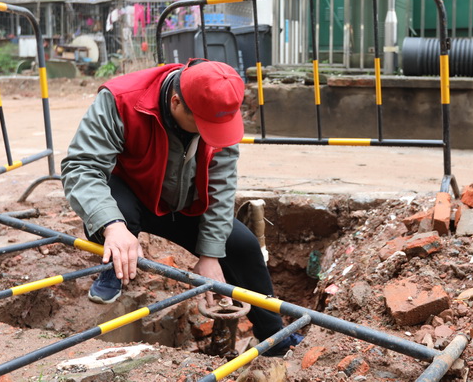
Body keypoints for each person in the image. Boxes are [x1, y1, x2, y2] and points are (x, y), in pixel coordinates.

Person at [61, 58, 302, 357]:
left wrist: (211, 255)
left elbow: (222, 185)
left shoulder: (218, 109)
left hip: (185, 202)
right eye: (203, 126)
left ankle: (275, 339)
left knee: (243, 246)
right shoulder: (121, 99)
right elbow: (81, 167)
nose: (211, 134)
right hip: (130, 196)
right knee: (111, 217)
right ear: (176, 102)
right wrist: (112, 225)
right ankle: (116, 267)